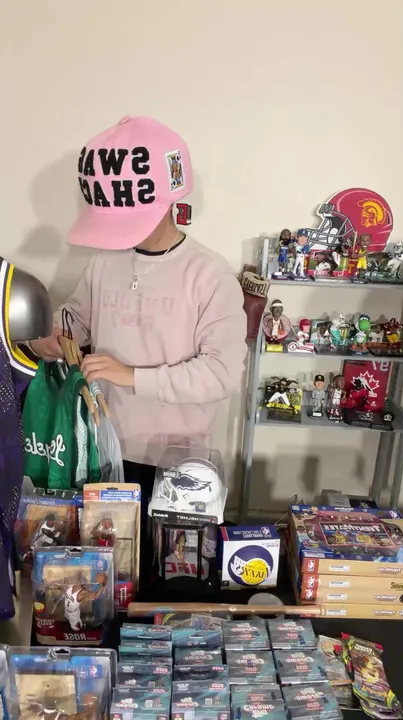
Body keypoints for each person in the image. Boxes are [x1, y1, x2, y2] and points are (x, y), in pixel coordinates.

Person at [28, 116, 247, 529]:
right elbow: (76, 319)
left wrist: (131, 375)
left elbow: (221, 374)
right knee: (104, 560)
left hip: (178, 463)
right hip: (100, 448)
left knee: (170, 566)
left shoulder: (208, 274)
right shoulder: (104, 262)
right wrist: (50, 335)